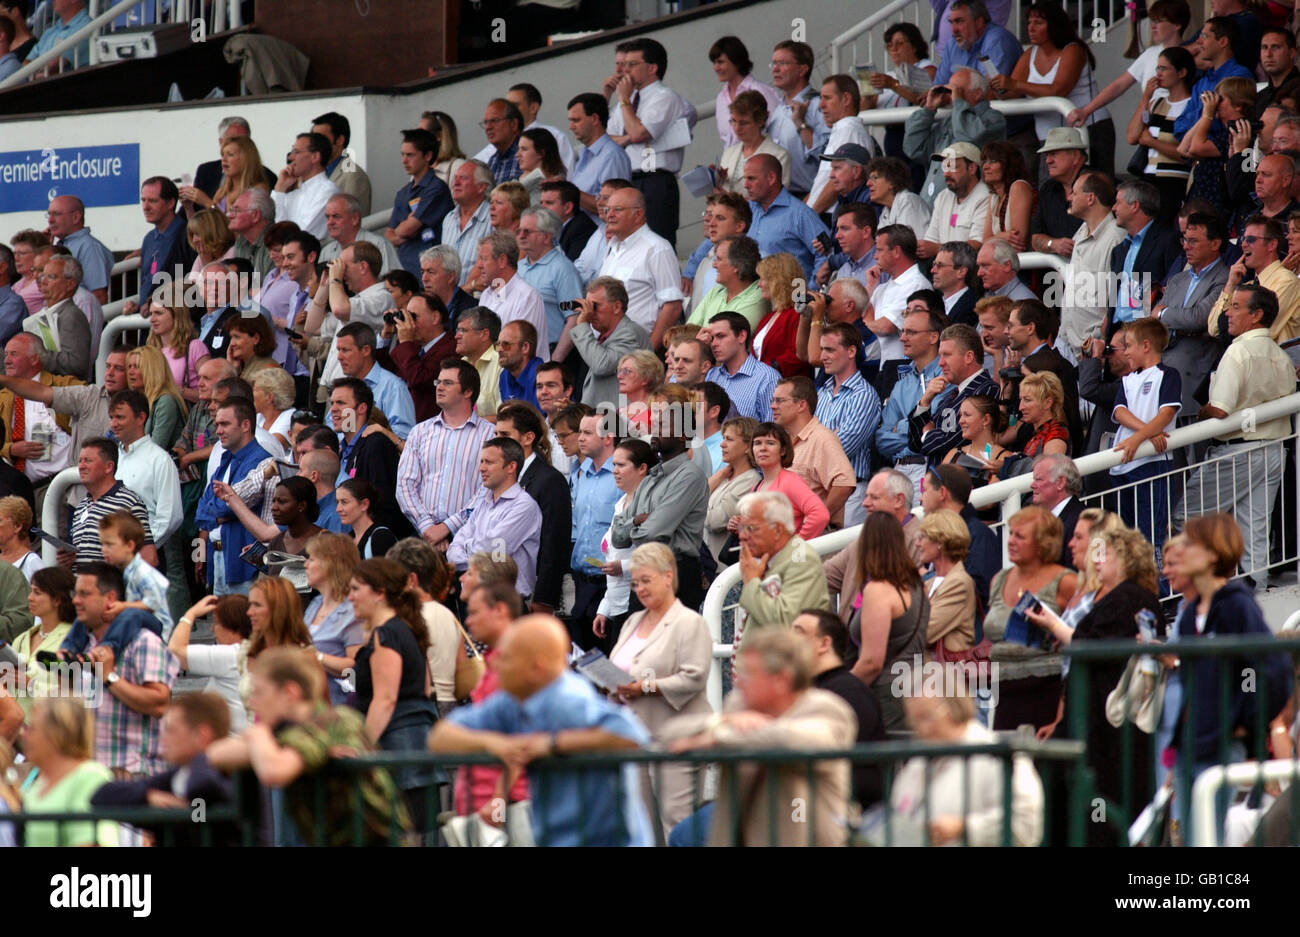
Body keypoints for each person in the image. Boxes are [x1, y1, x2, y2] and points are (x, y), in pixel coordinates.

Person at [431, 614, 654, 846]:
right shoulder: (513, 699)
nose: (497, 664)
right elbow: (440, 737)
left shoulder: (568, 697)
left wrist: (551, 744)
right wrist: (495, 744)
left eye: (506, 659)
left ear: (536, 667)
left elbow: (632, 735)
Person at [661, 628, 856, 847]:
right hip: (740, 837)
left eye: (749, 673)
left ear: (781, 680)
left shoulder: (826, 708)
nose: (738, 681)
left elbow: (796, 741)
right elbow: (668, 735)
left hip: (804, 839)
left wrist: (721, 738)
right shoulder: (739, 705)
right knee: (681, 835)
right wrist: (718, 724)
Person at [206, 647, 413, 846]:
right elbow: (215, 754)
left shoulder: (330, 722)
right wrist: (258, 740)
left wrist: (258, 735)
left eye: (259, 692)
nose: (252, 702)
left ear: (290, 693)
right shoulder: (287, 733)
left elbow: (274, 771)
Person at [1167, 514, 1292, 840]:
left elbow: (1273, 670)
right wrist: (1175, 748)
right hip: (1190, 751)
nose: (1181, 551)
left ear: (1212, 553)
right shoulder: (1188, 618)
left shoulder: (1238, 607)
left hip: (1223, 749)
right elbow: (1192, 690)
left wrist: (1244, 721)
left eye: (1190, 544)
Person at [1177, 284, 1296, 590]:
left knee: (1186, 518)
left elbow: (1219, 410)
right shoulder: (1279, 354)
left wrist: (1201, 413)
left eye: (1236, 307)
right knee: (1255, 531)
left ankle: (1182, 588)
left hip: (1236, 451)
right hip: (1273, 450)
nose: (1228, 313)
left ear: (1256, 315)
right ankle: (1255, 594)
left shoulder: (1239, 350)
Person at [610, 543, 713, 840]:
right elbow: (623, 669)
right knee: (643, 824)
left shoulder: (689, 622)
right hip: (636, 736)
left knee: (677, 824)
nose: (640, 589)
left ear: (668, 577)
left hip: (679, 736)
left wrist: (646, 687)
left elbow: (694, 677)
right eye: (635, 583)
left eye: (646, 580)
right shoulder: (632, 621)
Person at [347, 557, 440, 830]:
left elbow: (385, 700)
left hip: (397, 755)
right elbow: (425, 689)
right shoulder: (407, 629)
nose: (350, 597)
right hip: (415, 751)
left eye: (355, 589)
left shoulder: (386, 635)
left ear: (379, 593)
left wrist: (361, 748)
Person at [887, 693, 1045, 845]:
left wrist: (963, 828)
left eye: (926, 717)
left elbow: (1026, 825)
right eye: (914, 722)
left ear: (953, 708)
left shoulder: (997, 756)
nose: (921, 730)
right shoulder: (918, 762)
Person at [89, 692, 239, 847]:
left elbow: (201, 788)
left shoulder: (229, 776)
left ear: (201, 736)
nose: (163, 739)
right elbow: (101, 795)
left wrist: (204, 757)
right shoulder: (177, 777)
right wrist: (148, 796)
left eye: (171, 730)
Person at [72, 562, 179, 776]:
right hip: (91, 776)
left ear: (110, 599)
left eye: (84, 594)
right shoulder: (83, 644)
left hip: (134, 775)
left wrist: (109, 677)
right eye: (75, 594)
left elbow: (159, 704)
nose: (76, 601)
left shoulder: (144, 642)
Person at [609, 385, 710, 611]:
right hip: (645, 570)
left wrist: (632, 527)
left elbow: (653, 533)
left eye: (663, 426)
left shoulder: (690, 476)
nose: (654, 430)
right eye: (654, 425)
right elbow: (617, 537)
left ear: (683, 434)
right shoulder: (650, 478)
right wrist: (635, 521)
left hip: (676, 573)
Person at [991, 0, 1114, 176]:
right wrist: (999, 88)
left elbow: (1058, 90)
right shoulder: (1029, 55)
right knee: (1049, 190)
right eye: (1029, 23)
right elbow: (1012, 92)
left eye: (1038, 23)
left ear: (1054, 25)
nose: (1031, 28)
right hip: (1048, 137)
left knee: (1091, 189)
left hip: (1089, 128)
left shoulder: (1073, 50)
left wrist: (1015, 84)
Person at [982, 507, 1076, 731]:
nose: (1011, 541)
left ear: (1042, 543)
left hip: (1047, 691)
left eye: (1020, 536)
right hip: (1004, 694)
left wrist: (1061, 716)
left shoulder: (1065, 581)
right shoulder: (999, 580)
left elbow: (1081, 640)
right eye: (1011, 534)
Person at [397, 359, 496, 548]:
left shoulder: (489, 434)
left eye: (447, 383)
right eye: (438, 382)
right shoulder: (419, 431)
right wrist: (427, 527)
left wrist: (447, 527)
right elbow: (404, 484)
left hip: (470, 537)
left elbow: (488, 489)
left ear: (468, 392)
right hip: (422, 536)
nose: (439, 387)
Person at [605, 37, 694, 246]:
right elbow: (607, 139)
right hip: (630, 179)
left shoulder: (664, 97)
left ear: (652, 68)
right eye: (624, 65)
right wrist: (629, 135)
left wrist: (625, 104)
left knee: (657, 241)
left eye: (632, 65)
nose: (625, 70)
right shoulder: (626, 99)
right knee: (630, 242)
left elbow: (638, 133)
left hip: (656, 179)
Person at [493, 401, 571, 614]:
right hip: (504, 589)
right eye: (496, 434)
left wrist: (545, 598)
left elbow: (554, 543)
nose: (497, 441)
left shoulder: (549, 480)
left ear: (528, 438)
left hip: (533, 593)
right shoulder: (500, 477)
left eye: (505, 435)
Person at [445, 437, 543, 598]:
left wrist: (468, 546)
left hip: (507, 602)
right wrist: (476, 547)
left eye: (489, 462)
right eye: (481, 462)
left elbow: (491, 553)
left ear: (511, 467)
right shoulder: (484, 504)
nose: (481, 468)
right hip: (476, 598)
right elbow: (453, 551)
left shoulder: (524, 506)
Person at [734, 490, 831, 649]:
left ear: (778, 530)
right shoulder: (772, 558)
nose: (742, 536)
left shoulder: (801, 559)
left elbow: (787, 621)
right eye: (741, 528)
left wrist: (752, 582)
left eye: (750, 528)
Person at [196, 397, 272, 596]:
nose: (218, 430)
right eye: (217, 424)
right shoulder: (225, 457)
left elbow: (225, 506)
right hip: (219, 556)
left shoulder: (261, 460)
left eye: (225, 424)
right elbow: (202, 511)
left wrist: (224, 510)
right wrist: (223, 512)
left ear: (245, 425)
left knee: (245, 623)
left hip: (245, 562)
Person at [905, 67, 1007, 211]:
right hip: (933, 207)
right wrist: (928, 110)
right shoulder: (948, 121)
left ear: (977, 93)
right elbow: (913, 149)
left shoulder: (992, 119)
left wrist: (959, 102)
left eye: (956, 90)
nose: (950, 94)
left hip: (967, 207)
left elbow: (969, 137)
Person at [20, 698, 116, 847]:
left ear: (56, 734)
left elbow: (90, 842)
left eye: (32, 729)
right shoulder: (39, 783)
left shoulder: (90, 777)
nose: (24, 735)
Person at [596, 187, 683, 349]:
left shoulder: (657, 248)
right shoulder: (613, 247)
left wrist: (647, 352)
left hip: (637, 353)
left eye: (618, 209)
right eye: (608, 209)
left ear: (638, 214)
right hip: (606, 350)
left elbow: (672, 306)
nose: (610, 215)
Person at [589, 438, 652, 650]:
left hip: (638, 604)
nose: (615, 471)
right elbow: (612, 558)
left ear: (642, 468)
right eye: (614, 464)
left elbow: (655, 555)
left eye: (621, 465)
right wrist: (604, 609)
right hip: (616, 605)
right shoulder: (620, 504)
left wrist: (623, 567)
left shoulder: (648, 504)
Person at [1126, 46, 1196, 225]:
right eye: (1157, 68)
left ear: (1181, 72)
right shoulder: (1156, 103)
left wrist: (1152, 142)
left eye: (1164, 69)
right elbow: (1132, 137)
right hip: (1148, 178)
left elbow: (1188, 154)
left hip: (1173, 182)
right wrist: (1145, 98)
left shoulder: (1192, 106)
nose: (1158, 74)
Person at [67, 438, 157, 571]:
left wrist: (117, 585)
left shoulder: (129, 502)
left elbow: (149, 558)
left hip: (110, 590)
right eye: (80, 461)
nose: (81, 466)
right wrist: (67, 561)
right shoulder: (80, 507)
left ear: (109, 467)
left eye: (88, 461)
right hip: (79, 589)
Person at [168, 594, 253, 733]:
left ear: (232, 626)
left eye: (217, 623)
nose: (212, 629)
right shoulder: (249, 650)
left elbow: (175, 651)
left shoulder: (230, 655)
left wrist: (191, 613)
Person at [300, 532, 364, 706]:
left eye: (311, 560)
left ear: (331, 564)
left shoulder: (353, 611)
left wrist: (316, 657)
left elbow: (356, 668)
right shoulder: (315, 603)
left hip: (338, 711)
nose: (305, 565)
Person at [743, 153, 829, 281]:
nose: (745, 184)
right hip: (754, 295)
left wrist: (808, 292)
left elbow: (826, 253)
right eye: (745, 179)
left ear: (771, 178)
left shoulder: (800, 214)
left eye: (751, 178)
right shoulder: (748, 209)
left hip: (792, 296)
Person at [384, 128, 454, 277]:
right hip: (403, 269)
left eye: (410, 155)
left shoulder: (436, 189)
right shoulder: (403, 193)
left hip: (430, 270)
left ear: (428, 155)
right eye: (402, 155)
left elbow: (406, 230)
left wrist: (405, 229)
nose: (404, 160)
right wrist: (405, 229)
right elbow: (389, 235)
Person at [748, 421, 829, 540]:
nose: (763, 448)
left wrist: (796, 545)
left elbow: (820, 515)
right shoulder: (756, 487)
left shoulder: (790, 481)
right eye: (757, 443)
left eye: (770, 443)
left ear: (783, 450)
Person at [10, 566, 74, 715]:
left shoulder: (71, 640)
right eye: (31, 591)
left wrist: (30, 684)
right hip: (13, 730)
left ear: (57, 599)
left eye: (37, 592)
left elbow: (74, 693)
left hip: (48, 730)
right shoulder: (22, 638)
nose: (29, 597)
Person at [917, 508, 977, 657]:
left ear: (940, 542)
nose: (917, 543)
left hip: (949, 676)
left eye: (923, 537)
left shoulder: (959, 583)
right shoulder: (929, 583)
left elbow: (924, 632)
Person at [22, 253, 91, 381]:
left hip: (63, 393)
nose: (43, 281)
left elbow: (76, 364)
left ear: (69, 284)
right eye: (43, 276)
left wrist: (36, 355)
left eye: (51, 277)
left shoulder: (71, 315)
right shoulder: (50, 312)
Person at [703, 311, 781, 422]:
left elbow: (772, 430)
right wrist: (697, 348)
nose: (714, 344)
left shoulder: (767, 378)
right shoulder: (710, 374)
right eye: (711, 338)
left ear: (741, 336)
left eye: (720, 336)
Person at [716, 91, 791, 195]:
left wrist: (730, 200)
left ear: (760, 121)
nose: (737, 128)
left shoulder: (779, 156)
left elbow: (775, 200)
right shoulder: (728, 153)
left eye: (744, 123)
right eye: (733, 121)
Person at [271, 132, 340, 239]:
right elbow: (271, 227)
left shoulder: (327, 191)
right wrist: (279, 189)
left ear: (315, 157)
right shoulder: (293, 193)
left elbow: (302, 233)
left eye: (296, 152)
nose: (290, 157)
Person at [146, 299, 208, 405]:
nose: (152, 319)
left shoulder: (194, 346)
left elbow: (212, 392)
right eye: (151, 313)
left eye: (158, 313)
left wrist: (176, 389)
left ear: (176, 315)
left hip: (187, 418)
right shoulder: (151, 350)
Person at [319, 193, 399, 273]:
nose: (330, 222)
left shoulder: (379, 244)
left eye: (336, 216)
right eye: (327, 217)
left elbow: (394, 282)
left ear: (354, 218)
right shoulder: (326, 252)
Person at [1029, 452, 1084, 567]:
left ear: (1060, 483)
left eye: (1038, 479)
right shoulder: (1042, 520)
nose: (1032, 485)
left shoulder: (1080, 522)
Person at [979, 141, 1034, 251]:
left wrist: (993, 239)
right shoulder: (994, 196)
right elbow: (984, 241)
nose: (985, 166)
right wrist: (1001, 236)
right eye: (984, 161)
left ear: (1008, 164)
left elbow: (1018, 243)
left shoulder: (1019, 187)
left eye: (992, 161)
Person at [865, 157, 929, 241]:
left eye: (875, 178)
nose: (868, 183)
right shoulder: (886, 210)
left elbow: (909, 245)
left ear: (892, 182)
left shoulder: (908, 201)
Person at [1015, 370, 1070, 460]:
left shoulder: (1056, 433)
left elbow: (1049, 470)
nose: (1020, 407)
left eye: (1027, 400)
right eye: (1021, 400)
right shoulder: (1041, 432)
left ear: (1047, 403)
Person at [335, 478, 395, 560]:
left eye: (344, 502)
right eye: (337, 502)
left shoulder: (381, 537)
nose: (338, 509)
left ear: (364, 504)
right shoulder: (348, 539)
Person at [516, 128, 566, 206]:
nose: (517, 155)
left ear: (541, 153)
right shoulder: (521, 180)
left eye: (524, 149)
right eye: (518, 149)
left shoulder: (553, 188)